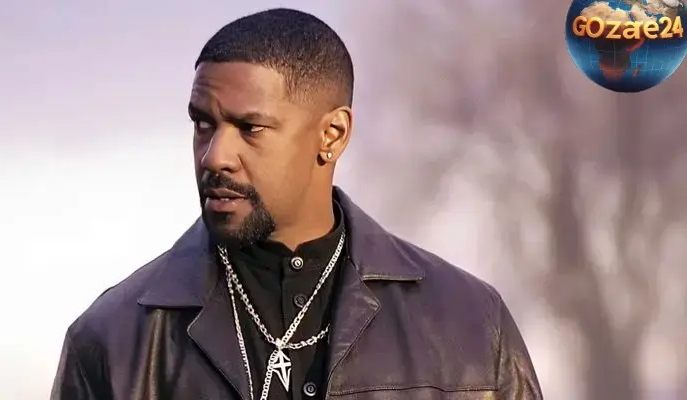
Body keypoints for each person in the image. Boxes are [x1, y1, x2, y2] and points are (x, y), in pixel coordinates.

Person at [51, 8, 543, 400]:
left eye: (250, 128)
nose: (215, 156)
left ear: (332, 135)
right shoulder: (113, 340)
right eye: (203, 124)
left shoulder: (471, 325)